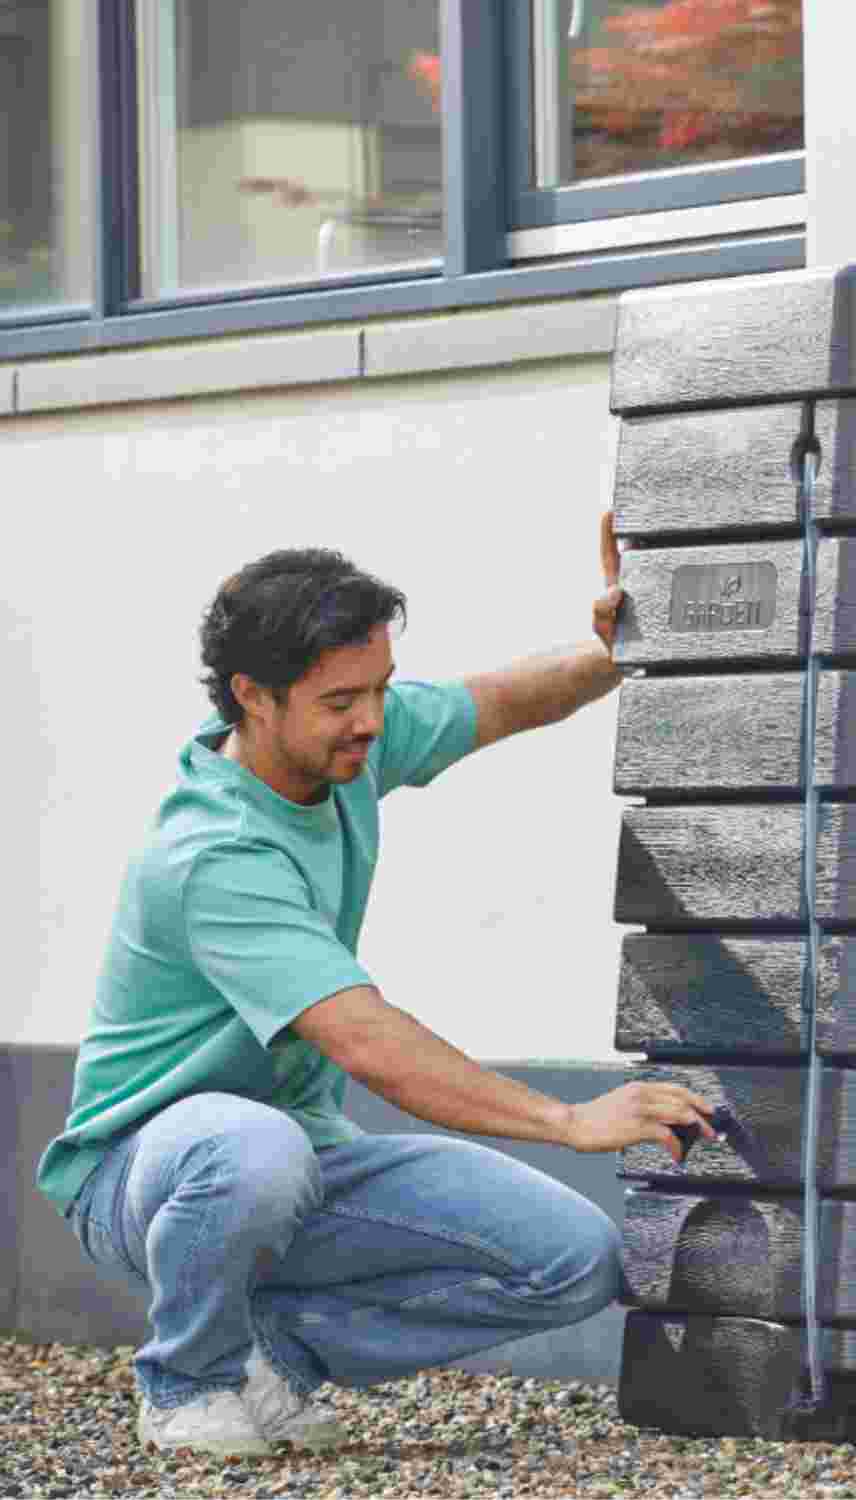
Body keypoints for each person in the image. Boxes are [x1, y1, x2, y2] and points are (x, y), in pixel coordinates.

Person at [35, 513, 716, 1458]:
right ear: (253, 698)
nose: (371, 719)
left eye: (381, 691)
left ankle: (269, 1354)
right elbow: (364, 1040)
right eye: (341, 700)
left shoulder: (344, 747)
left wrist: (611, 654)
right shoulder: (216, 854)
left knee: (574, 1259)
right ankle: (186, 1382)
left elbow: (501, 700)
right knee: (251, 1148)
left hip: (296, 1158)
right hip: (143, 1174)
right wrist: (568, 1122)